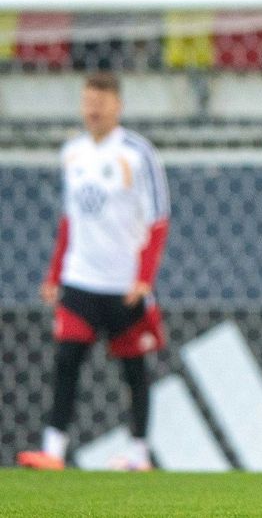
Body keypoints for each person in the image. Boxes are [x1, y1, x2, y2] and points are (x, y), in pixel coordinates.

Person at [17, 73, 171, 472]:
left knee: (133, 370)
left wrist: (144, 278)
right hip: (80, 279)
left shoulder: (139, 154)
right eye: (87, 100)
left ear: (118, 105)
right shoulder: (72, 153)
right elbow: (70, 220)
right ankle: (53, 450)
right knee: (67, 360)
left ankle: (139, 453)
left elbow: (158, 220)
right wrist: (54, 274)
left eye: (101, 101)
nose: (93, 108)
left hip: (123, 286)